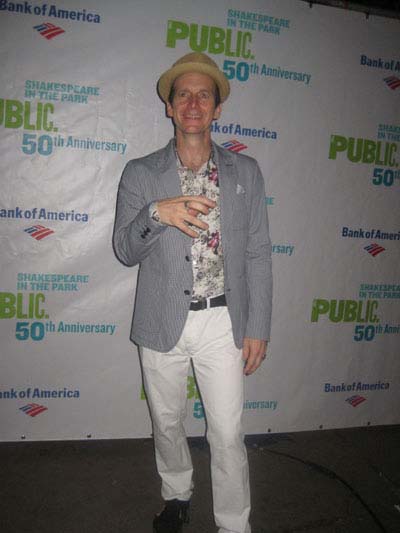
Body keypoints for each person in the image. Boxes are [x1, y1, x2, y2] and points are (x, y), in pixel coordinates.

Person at [113, 52, 272, 533]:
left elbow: (259, 253)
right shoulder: (141, 174)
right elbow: (124, 249)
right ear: (170, 106)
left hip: (222, 321)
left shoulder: (246, 173)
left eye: (205, 94)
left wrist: (258, 326)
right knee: (166, 422)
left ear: (218, 108)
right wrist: (156, 214)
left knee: (226, 432)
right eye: (184, 93)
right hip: (160, 319)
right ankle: (177, 495)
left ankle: (233, 523)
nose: (194, 102)